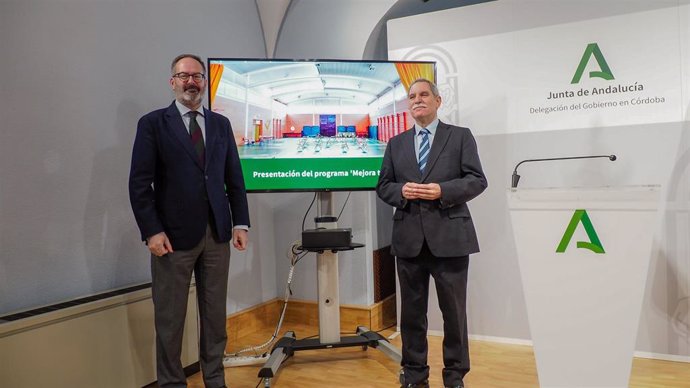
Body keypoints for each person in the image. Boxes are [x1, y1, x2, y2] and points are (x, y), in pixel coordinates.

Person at [129, 54, 250, 388]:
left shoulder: (221, 125)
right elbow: (139, 184)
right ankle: (171, 383)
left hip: (217, 233)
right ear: (173, 82)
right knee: (170, 321)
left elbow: (234, 179)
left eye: (197, 76)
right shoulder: (152, 124)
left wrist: (240, 222)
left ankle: (215, 380)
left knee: (214, 318)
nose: (191, 82)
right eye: (184, 76)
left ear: (204, 83)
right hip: (171, 238)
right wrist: (151, 231)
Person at [376, 78, 487, 388]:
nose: (417, 100)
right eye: (412, 97)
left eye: (424, 94)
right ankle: (414, 376)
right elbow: (384, 186)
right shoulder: (396, 144)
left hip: (451, 239)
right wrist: (402, 191)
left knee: (454, 315)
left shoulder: (460, 137)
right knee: (411, 317)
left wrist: (442, 190)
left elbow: (477, 180)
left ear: (438, 101)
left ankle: (454, 377)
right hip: (408, 241)